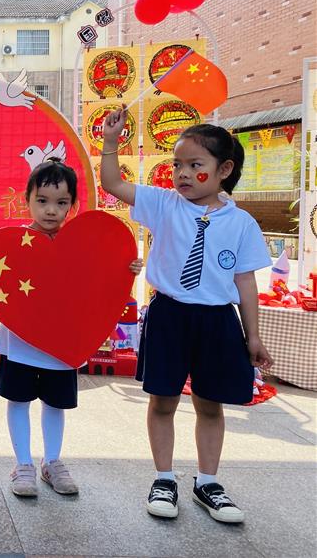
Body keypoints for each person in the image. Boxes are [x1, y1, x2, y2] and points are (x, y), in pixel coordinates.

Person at [100, 111, 273, 524]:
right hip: (169, 316)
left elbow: (245, 282)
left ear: (224, 170)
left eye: (196, 165)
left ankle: (208, 483)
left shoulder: (242, 223)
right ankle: (164, 478)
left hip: (217, 321)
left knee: (210, 404)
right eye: (177, 164)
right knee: (163, 400)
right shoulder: (164, 204)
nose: (182, 173)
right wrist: (111, 142)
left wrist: (253, 336)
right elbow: (113, 184)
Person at [0, 159, 142, 498]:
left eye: (61, 202)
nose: (51, 210)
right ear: (27, 200)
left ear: (73, 205)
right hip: (20, 343)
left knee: (55, 403)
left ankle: (52, 462)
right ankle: (23, 464)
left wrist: (125, 267)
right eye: (42, 201)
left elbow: (99, 280)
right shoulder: (12, 245)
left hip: (65, 343)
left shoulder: (83, 245)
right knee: (18, 400)